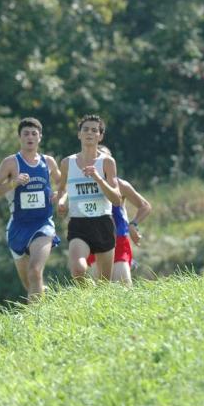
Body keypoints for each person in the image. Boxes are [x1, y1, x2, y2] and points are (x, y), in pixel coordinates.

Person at [0, 117, 61, 302]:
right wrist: (13, 183)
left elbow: (63, 185)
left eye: (34, 134)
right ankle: (44, 298)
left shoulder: (48, 162)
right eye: (26, 133)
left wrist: (60, 196)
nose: (30, 137)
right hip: (18, 226)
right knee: (30, 283)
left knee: (35, 271)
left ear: (40, 137)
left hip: (43, 224)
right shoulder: (11, 163)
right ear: (20, 137)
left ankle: (37, 322)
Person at [55, 115, 121, 282]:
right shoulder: (67, 163)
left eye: (94, 130)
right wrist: (61, 203)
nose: (89, 133)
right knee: (78, 270)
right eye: (85, 129)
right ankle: (86, 294)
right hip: (79, 223)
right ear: (79, 134)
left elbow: (117, 199)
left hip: (103, 222)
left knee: (104, 283)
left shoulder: (107, 162)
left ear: (100, 136)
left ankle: (94, 303)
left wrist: (98, 178)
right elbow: (62, 190)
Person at [86, 146, 152, 286]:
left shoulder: (121, 185)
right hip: (94, 242)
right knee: (100, 290)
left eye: (105, 159)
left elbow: (145, 206)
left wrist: (133, 224)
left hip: (119, 241)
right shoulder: (85, 185)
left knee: (123, 288)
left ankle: (128, 264)